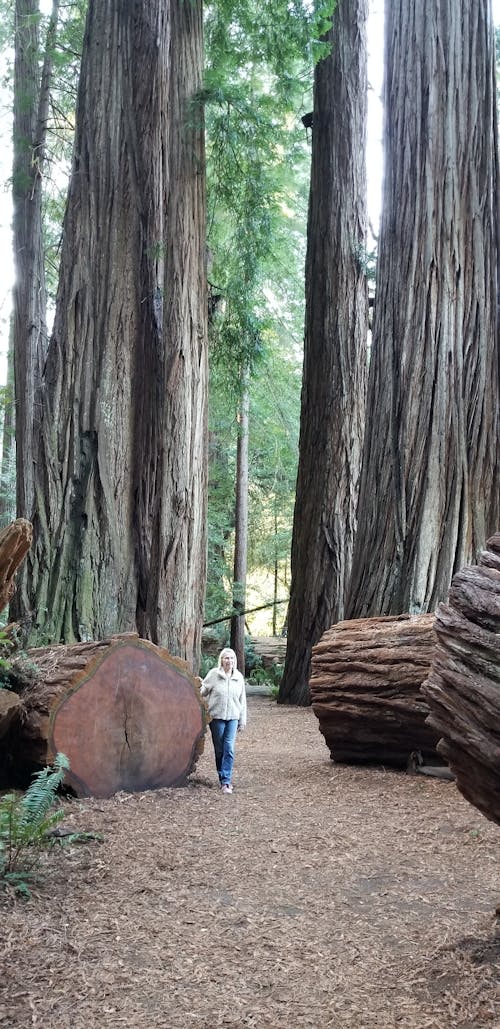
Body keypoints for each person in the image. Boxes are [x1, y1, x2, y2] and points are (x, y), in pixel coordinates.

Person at [199, 647, 247, 794]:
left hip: (233, 717)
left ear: (235, 661)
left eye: (231, 658)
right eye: (226, 658)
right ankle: (222, 776)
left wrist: (242, 720)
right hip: (217, 718)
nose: (229, 661)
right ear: (221, 660)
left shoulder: (238, 677)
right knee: (219, 749)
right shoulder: (214, 674)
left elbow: (242, 700)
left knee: (229, 748)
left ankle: (226, 781)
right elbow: (203, 690)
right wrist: (196, 685)